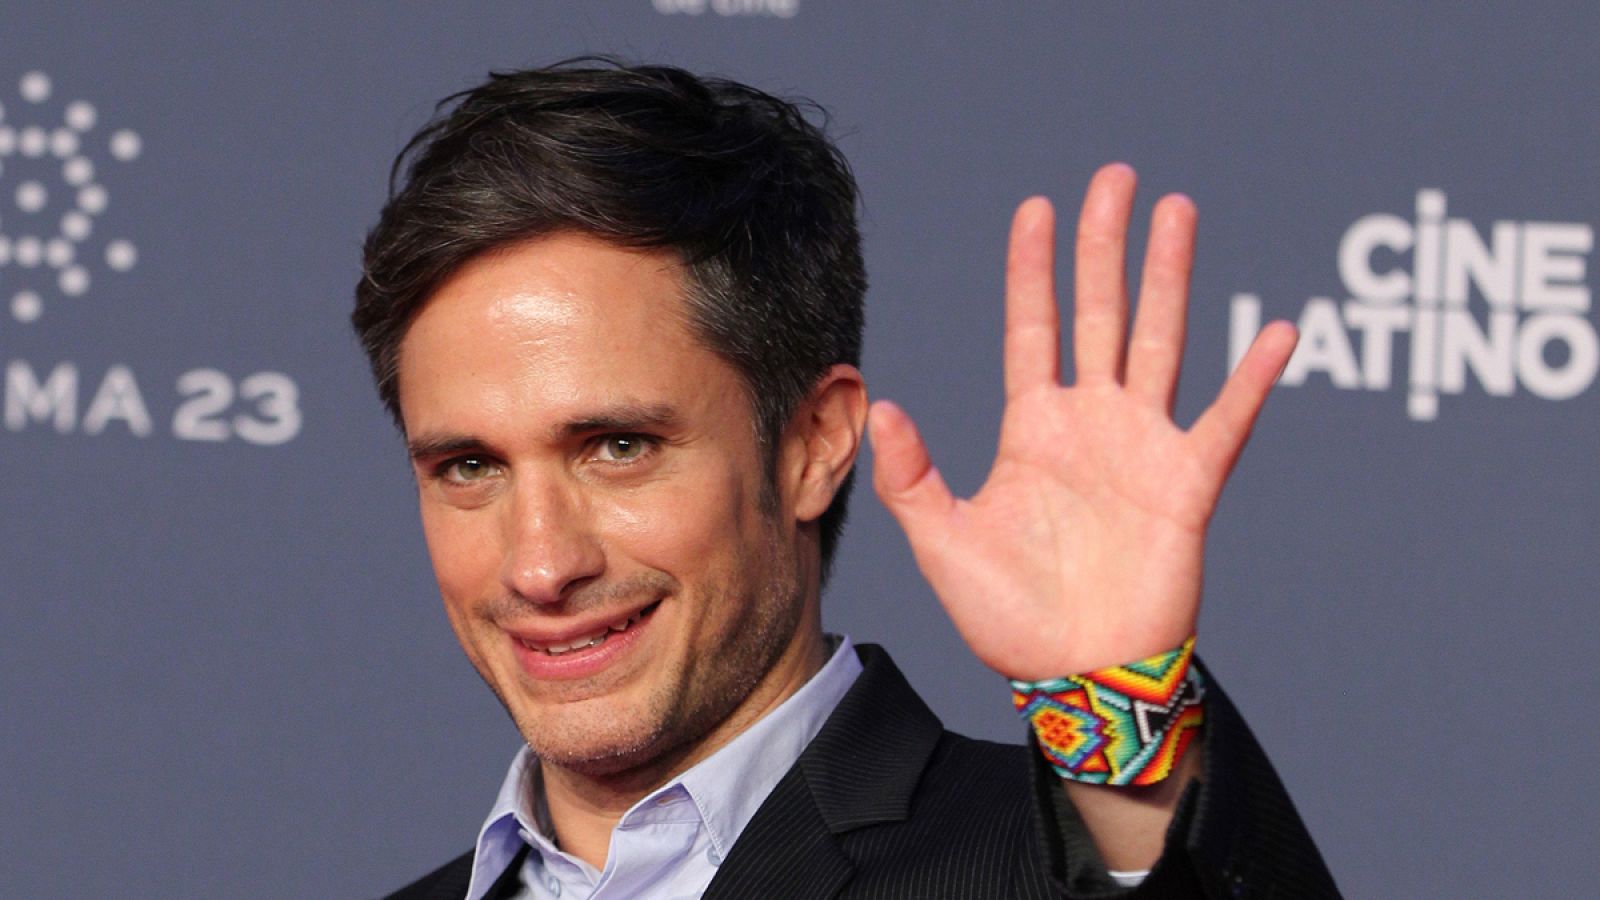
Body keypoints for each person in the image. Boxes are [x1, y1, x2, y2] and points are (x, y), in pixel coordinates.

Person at [353, 59, 1339, 899]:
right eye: (469, 467)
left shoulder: (1038, 866)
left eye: (617, 448)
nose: (538, 563)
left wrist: (1118, 708)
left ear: (812, 443)